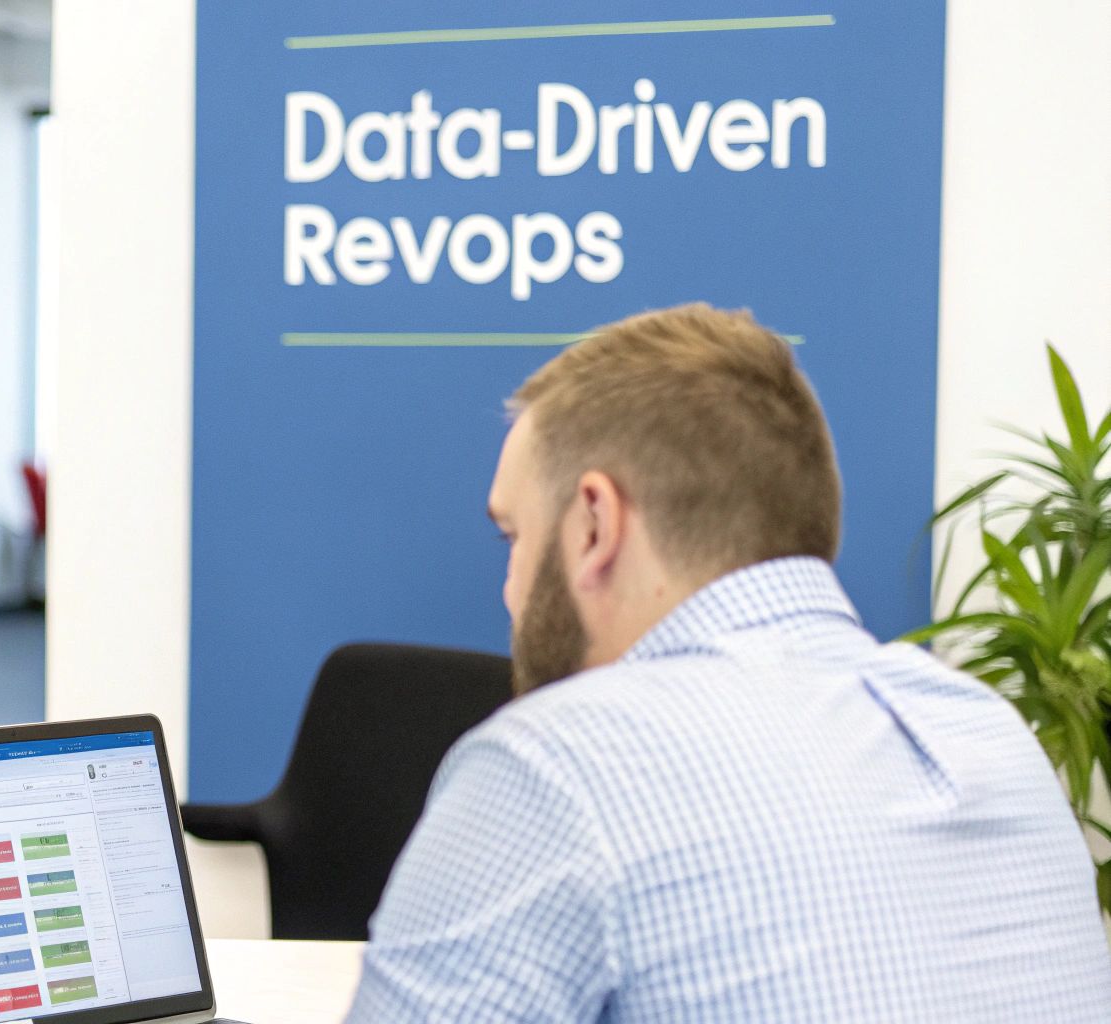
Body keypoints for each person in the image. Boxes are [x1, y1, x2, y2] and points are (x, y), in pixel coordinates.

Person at [344, 304, 1111, 1022]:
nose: (509, 591)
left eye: (513, 537)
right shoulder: (992, 736)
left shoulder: (557, 765)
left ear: (594, 524)